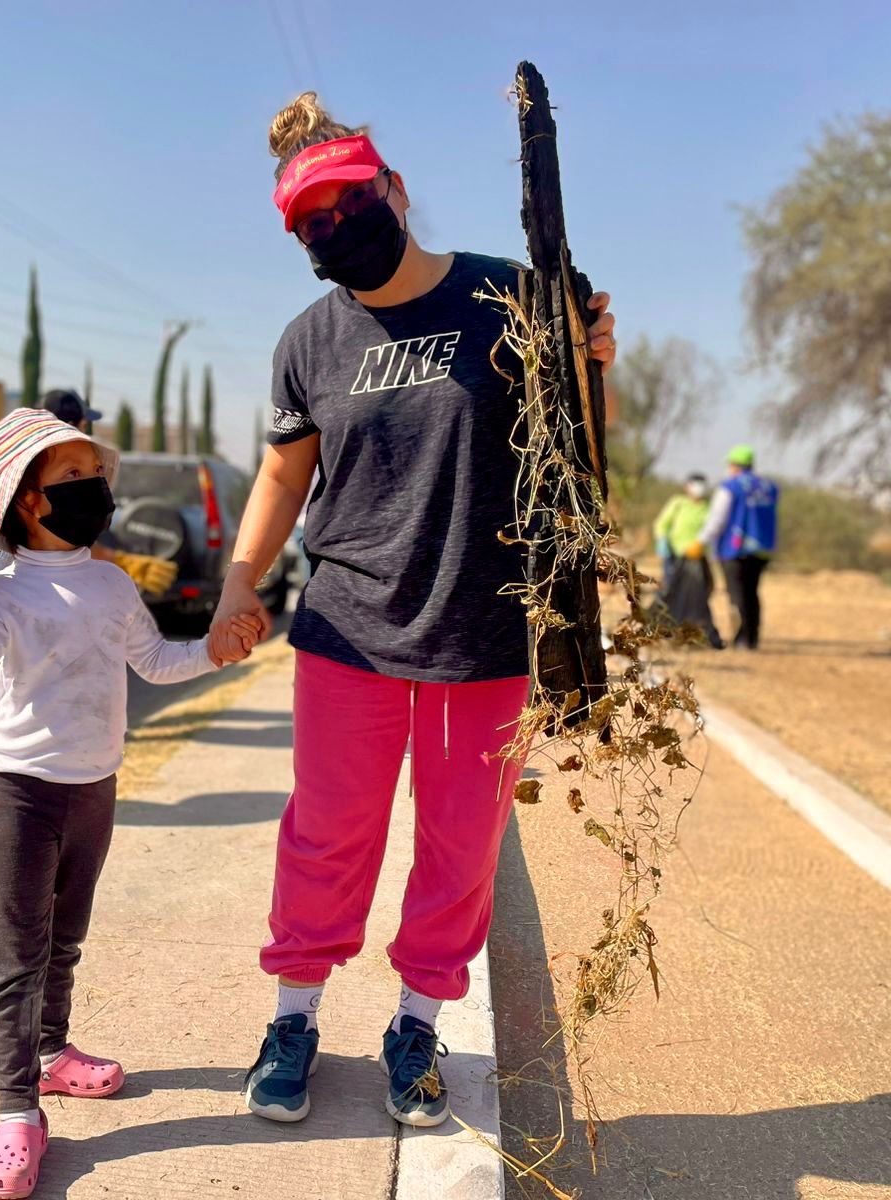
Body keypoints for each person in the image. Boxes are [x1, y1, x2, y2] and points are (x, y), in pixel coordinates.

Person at [208, 93, 616, 1128]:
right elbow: (280, 475)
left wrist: (588, 364)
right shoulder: (309, 338)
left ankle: (416, 1026)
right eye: (307, 225)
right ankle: (294, 1016)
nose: (330, 231)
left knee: (458, 844)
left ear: (390, 187)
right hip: (347, 629)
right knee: (327, 835)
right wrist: (237, 580)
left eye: (345, 206)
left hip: (482, 633)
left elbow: (577, 454)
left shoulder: (507, 297)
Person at [0, 409, 252, 1198]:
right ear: (27, 501)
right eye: (73, 478)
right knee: (18, 954)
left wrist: (213, 651)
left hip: (95, 787)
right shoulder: (5, 587)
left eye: (96, 474)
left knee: (66, 939)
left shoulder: (111, 581)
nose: (97, 489)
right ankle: (17, 1113)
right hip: (17, 790)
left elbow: (151, 661)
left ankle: (51, 1058)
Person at [0, 388, 177, 788]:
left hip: (89, 778)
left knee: (16, 664)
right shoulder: (45, 468)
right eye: (75, 472)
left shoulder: (67, 474)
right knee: (9, 665)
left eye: (95, 472)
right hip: (23, 777)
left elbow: (72, 554)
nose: (90, 480)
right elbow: (57, 549)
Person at [691, 444, 779, 650]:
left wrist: (701, 541)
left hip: (734, 549)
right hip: (762, 549)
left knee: (736, 594)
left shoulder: (730, 487)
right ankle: (752, 639)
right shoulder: (769, 487)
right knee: (752, 592)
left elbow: (718, 519)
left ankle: (741, 639)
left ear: (733, 465)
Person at [653, 472, 723, 648]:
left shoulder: (708, 508)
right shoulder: (678, 503)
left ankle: (693, 631)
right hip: (675, 557)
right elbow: (661, 524)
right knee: (670, 591)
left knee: (699, 595)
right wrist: (662, 541)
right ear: (686, 486)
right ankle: (663, 630)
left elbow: (713, 531)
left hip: (697, 559)